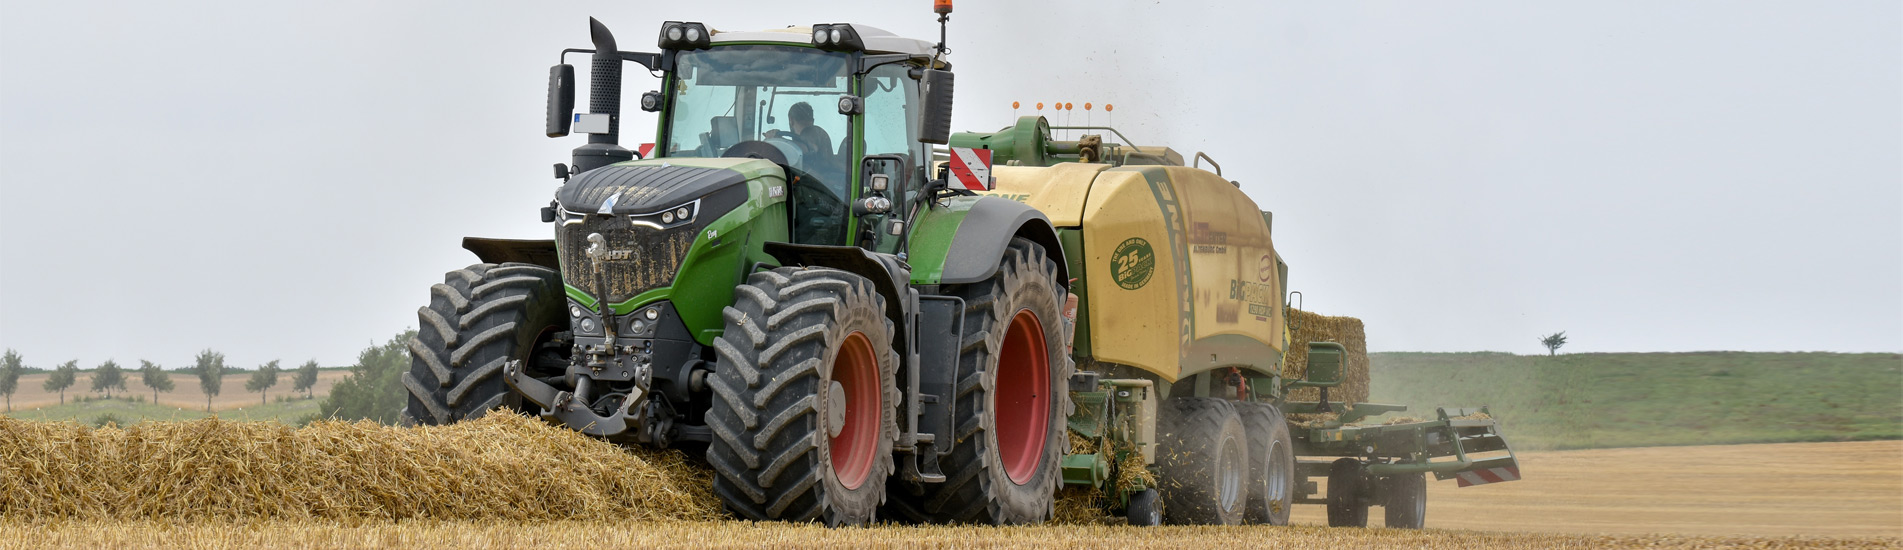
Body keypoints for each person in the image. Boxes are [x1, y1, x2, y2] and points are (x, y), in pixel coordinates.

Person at [764, 102, 833, 162]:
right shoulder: (801, 139)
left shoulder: (816, 133)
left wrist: (779, 140)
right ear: (812, 120)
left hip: (816, 175)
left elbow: (810, 148)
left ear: (791, 120)